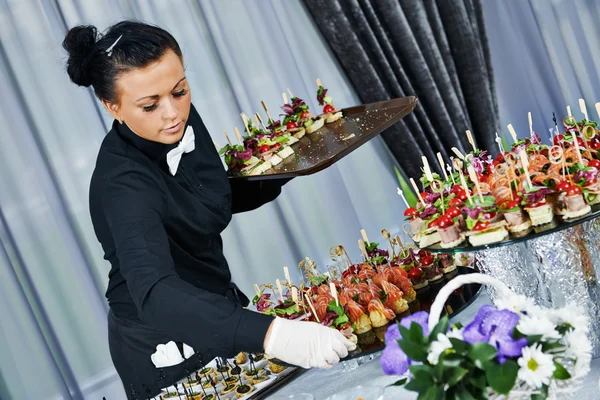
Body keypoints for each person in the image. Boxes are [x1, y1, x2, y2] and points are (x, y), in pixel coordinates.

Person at [62, 21, 355, 398]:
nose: (172, 114)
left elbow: (208, 198)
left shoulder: (177, 121)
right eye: (150, 105)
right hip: (162, 339)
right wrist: (272, 333)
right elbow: (155, 293)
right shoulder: (123, 185)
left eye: (180, 91)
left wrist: (299, 157)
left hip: (215, 306)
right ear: (111, 106)